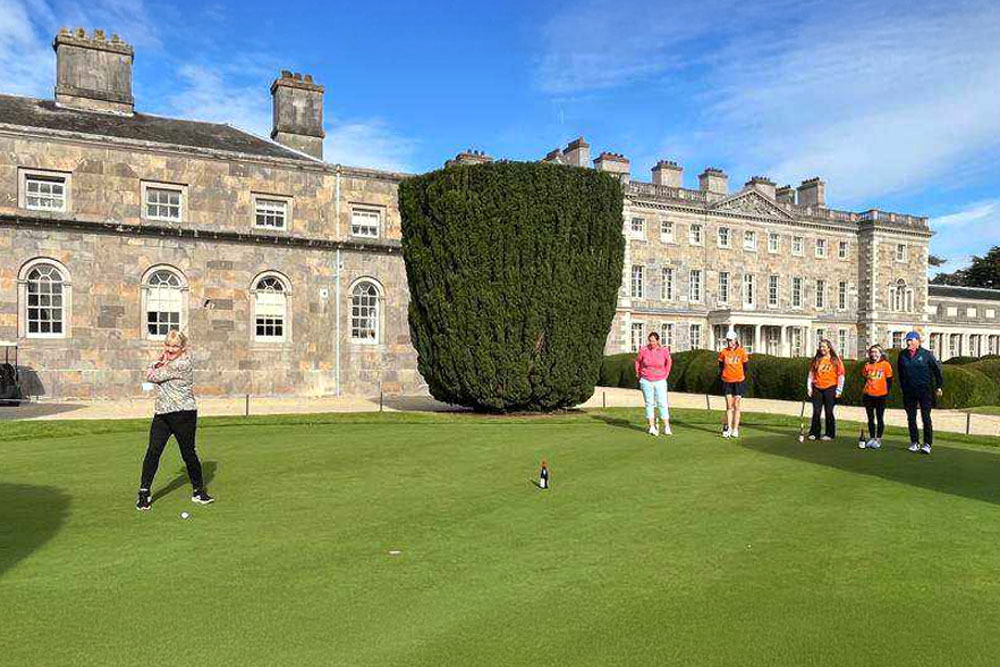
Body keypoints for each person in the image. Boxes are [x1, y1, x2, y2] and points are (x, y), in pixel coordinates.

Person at [136, 330, 214, 510]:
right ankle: (144, 492)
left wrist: (158, 361)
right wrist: (161, 361)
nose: (170, 349)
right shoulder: (168, 362)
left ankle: (198, 491)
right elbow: (152, 372)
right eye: (168, 345)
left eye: (175, 346)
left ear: (183, 348)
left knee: (188, 453)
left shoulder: (183, 363)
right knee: (153, 452)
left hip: (183, 414)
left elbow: (151, 375)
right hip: (162, 414)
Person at [897, 330, 944, 455]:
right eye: (907, 340)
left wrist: (939, 386)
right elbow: (901, 374)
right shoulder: (902, 355)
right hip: (909, 391)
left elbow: (937, 371)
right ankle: (914, 442)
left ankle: (927, 444)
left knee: (925, 417)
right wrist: (902, 388)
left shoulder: (927, 354)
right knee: (911, 418)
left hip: (925, 390)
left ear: (918, 341)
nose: (908, 342)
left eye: (911, 340)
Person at [635, 331, 673, 436]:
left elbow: (669, 362)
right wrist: (638, 374)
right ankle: (651, 426)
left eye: (653, 341)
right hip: (646, 380)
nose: (651, 343)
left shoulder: (664, 351)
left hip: (660, 380)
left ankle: (667, 426)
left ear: (657, 340)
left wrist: (666, 374)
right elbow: (637, 361)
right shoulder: (644, 350)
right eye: (650, 340)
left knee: (662, 403)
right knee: (649, 403)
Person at [806, 339, 845, 441]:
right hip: (817, 388)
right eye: (820, 346)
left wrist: (839, 390)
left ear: (829, 348)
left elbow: (841, 376)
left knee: (829, 412)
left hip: (830, 388)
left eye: (824, 347)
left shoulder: (836, 360)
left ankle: (830, 434)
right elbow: (811, 375)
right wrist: (809, 387)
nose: (822, 349)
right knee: (816, 412)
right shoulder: (817, 360)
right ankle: (814, 433)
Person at [860, 345, 893, 449]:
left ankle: (878, 438)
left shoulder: (885, 365)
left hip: (880, 395)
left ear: (880, 353)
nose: (873, 354)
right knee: (870, 418)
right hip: (868, 395)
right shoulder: (867, 365)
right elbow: (865, 378)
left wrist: (885, 392)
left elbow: (889, 380)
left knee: (879, 417)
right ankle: (872, 437)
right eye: (872, 352)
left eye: (876, 352)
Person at [718, 330, 748, 438]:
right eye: (728, 340)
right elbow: (720, 366)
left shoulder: (741, 351)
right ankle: (728, 428)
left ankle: (735, 429)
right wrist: (724, 375)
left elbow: (745, 367)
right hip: (727, 381)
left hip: (739, 381)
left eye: (731, 340)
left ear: (735, 340)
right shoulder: (723, 352)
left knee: (736, 405)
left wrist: (740, 376)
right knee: (729, 405)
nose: (729, 342)